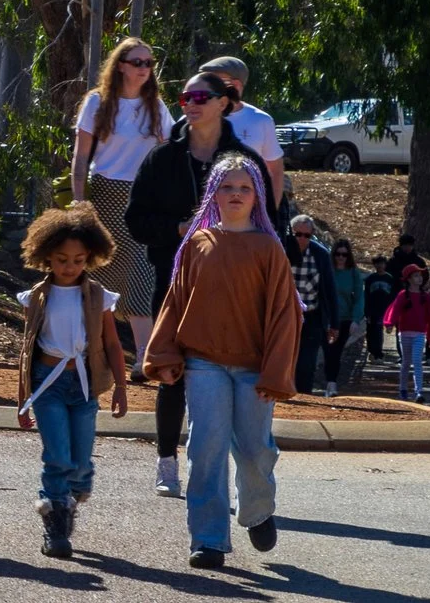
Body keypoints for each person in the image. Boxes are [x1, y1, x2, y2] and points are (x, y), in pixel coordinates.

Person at [144, 154, 300, 570]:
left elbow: (286, 314)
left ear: (257, 198)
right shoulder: (197, 244)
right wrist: (164, 353)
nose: (235, 194)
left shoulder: (269, 248)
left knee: (253, 450)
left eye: (244, 188)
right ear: (213, 192)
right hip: (204, 364)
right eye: (227, 187)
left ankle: (256, 510)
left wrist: (277, 371)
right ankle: (208, 539)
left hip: (254, 368)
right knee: (205, 449)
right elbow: (175, 302)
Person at [126, 70, 252, 496]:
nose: (192, 103)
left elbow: (270, 220)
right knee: (171, 370)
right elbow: (136, 220)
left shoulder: (243, 161)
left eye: (202, 96)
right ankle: (166, 464)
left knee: (232, 375)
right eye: (185, 98)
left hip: (234, 286)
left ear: (225, 102)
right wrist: (178, 228)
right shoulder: (162, 160)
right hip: (175, 279)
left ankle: (237, 475)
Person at [13, 205, 128, 559]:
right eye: (62, 259)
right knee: (57, 457)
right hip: (47, 384)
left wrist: (121, 386)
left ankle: (71, 496)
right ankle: (55, 521)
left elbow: (111, 343)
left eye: (78, 260)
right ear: (46, 255)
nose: (70, 266)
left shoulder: (97, 296)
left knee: (80, 463)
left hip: (83, 383)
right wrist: (23, 400)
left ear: (90, 257)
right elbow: (27, 350)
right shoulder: (36, 296)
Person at [69, 37, 175, 358]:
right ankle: (88, 348)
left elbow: (170, 149)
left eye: (149, 63)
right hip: (104, 195)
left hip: (142, 198)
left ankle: (144, 356)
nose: (145, 69)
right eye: (138, 62)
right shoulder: (97, 102)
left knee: (141, 274)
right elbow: (80, 157)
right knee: (97, 273)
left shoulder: (156, 107)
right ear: (121, 66)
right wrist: (78, 200)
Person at [196, 56, 287, 212]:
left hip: (247, 217)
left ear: (236, 85)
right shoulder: (193, 117)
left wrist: (270, 214)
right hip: (200, 215)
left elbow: (276, 172)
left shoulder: (261, 121)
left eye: (214, 81)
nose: (205, 86)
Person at [284, 215, 335, 399]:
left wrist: (334, 323)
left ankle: (304, 398)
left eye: (307, 235)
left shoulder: (320, 255)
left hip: (312, 316)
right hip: (284, 317)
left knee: (307, 363)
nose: (302, 239)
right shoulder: (280, 249)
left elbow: (329, 289)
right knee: (285, 360)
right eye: (298, 234)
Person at [383, 265, 430, 401]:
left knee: (417, 361)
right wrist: (389, 324)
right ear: (408, 279)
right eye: (416, 276)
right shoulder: (403, 295)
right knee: (406, 362)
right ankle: (403, 389)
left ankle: (419, 391)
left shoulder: (425, 297)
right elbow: (394, 310)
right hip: (405, 333)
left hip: (420, 333)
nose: (419, 278)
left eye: (420, 276)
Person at [323, 240, 364, 397]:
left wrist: (356, 319)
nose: (341, 257)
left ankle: (331, 383)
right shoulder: (328, 271)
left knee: (336, 350)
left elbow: (359, 298)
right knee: (328, 350)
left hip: (345, 319)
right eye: (338, 254)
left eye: (344, 255)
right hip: (328, 318)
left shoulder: (353, 273)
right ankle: (329, 381)